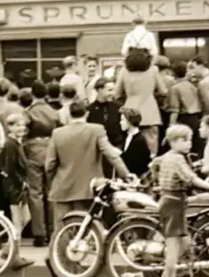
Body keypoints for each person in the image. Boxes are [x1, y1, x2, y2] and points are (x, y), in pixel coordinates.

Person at [46, 101, 136, 232]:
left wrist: (52, 180)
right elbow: (110, 154)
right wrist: (126, 174)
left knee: (61, 227)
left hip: (63, 185)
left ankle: (59, 251)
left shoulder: (57, 133)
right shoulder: (96, 130)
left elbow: (50, 164)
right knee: (88, 226)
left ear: (69, 115)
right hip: (88, 186)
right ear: (87, 114)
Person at [157, 124, 209, 277]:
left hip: (171, 202)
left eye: (190, 140)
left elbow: (155, 165)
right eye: (185, 140)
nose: (189, 143)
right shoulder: (178, 159)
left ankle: (187, 273)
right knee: (173, 252)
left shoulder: (168, 156)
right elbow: (191, 178)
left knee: (187, 247)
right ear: (173, 142)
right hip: (174, 205)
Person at [24, 81, 61, 246]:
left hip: (33, 150)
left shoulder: (29, 113)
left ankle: (39, 233)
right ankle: (53, 230)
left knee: (35, 193)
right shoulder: (54, 112)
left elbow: (24, 132)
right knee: (50, 191)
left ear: (32, 94)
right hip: (51, 149)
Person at [115, 47, 168, 158]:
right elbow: (163, 91)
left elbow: (117, 93)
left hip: (130, 111)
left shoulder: (124, 71)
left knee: (131, 148)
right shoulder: (153, 70)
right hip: (150, 112)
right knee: (151, 149)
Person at [0, 114, 35, 268]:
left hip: (19, 186)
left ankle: (8, 250)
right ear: (10, 127)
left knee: (25, 218)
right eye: (18, 125)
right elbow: (10, 168)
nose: (22, 128)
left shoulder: (17, 143)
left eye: (23, 125)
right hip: (15, 187)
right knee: (17, 222)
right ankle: (15, 256)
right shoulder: (10, 145)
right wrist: (21, 183)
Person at [168, 61, 205, 154]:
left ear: (173, 73)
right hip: (197, 117)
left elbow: (174, 109)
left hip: (184, 118)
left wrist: (171, 126)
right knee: (195, 146)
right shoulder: (193, 86)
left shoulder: (175, 88)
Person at [87, 78, 125, 151]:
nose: (113, 93)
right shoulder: (89, 110)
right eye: (110, 90)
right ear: (100, 90)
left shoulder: (118, 107)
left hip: (117, 146)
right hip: (97, 147)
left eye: (113, 90)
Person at [120, 108, 151, 178]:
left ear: (130, 121)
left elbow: (138, 164)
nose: (120, 122)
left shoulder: (140, 141)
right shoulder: (126, 137)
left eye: (122, 120)